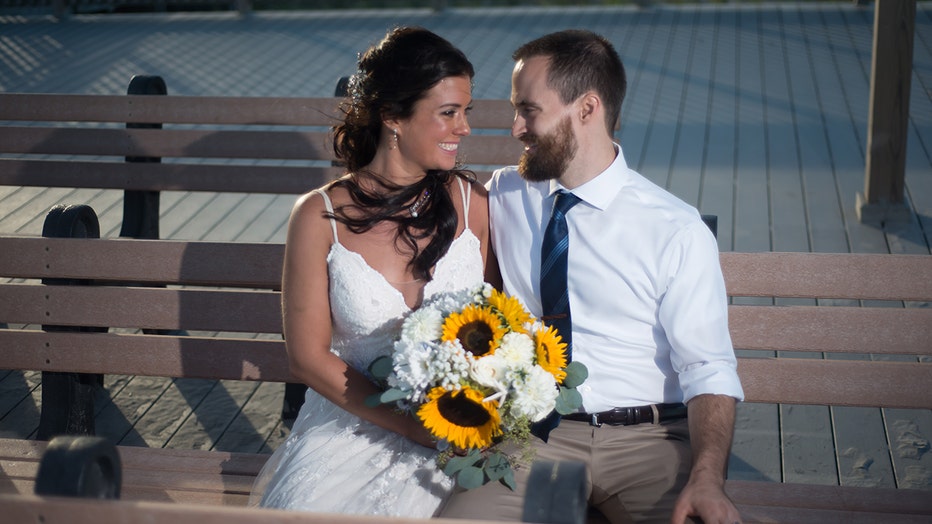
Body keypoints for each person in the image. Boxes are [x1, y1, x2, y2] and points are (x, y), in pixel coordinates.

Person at [439, 30, 745, 524]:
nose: (516, 127)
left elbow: (708, 367)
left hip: (650, 443)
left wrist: (708, 477)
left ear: (587, 108)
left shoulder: (673, 228)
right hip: (540, 437)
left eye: (529, 110)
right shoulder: (503, 195)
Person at [249, 26, 497, 518]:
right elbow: (307, 357)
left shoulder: (473, 204)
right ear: (392, 117)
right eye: (448, 113)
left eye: (465, 112)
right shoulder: (318, 217)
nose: (464, 128)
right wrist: (417, 428)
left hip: (464, 432)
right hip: (350, 424)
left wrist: (470, 416)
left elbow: (502, 324)